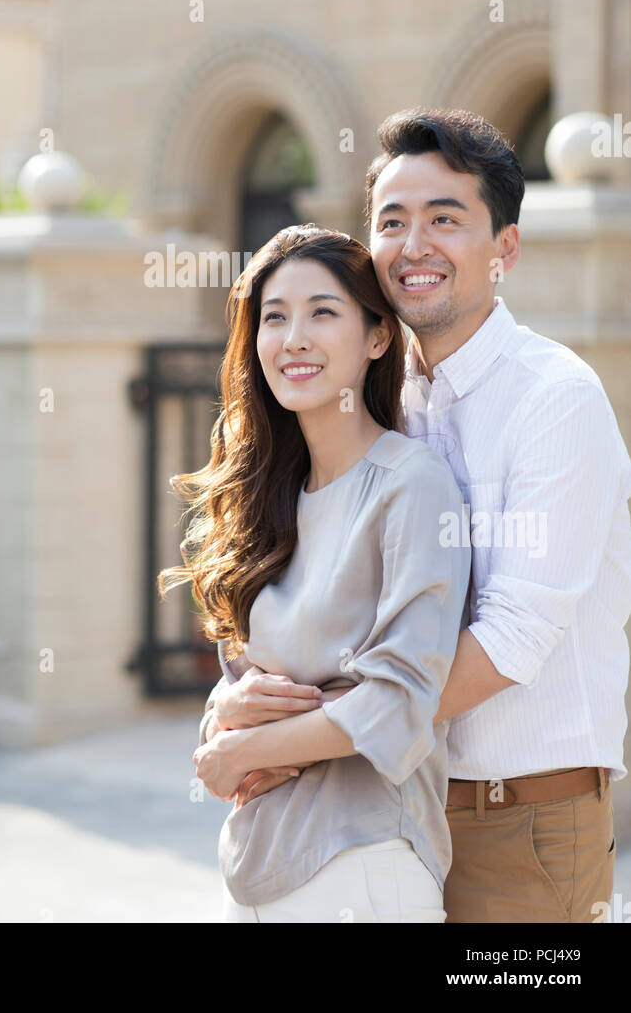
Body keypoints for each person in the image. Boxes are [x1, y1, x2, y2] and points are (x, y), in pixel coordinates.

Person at [202, 107, 631, 924]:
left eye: (446, 218)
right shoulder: (382, 399)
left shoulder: (556, 399)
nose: (414, 244)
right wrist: (242, 708)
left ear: (504, 248)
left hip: (520, 821)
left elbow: (512, 639)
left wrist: (287, 738)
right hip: (388, 803)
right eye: (392, 221)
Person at [161, 226, 470, 922]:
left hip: (363, 864)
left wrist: (240, 752)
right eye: (275, 316)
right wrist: (224, 727)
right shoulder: (266, 497)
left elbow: (401, 698)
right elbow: (239, 684)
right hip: (254, 861)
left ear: (377, 338)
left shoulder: (410, 485)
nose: (294, 337)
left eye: (323, 312)